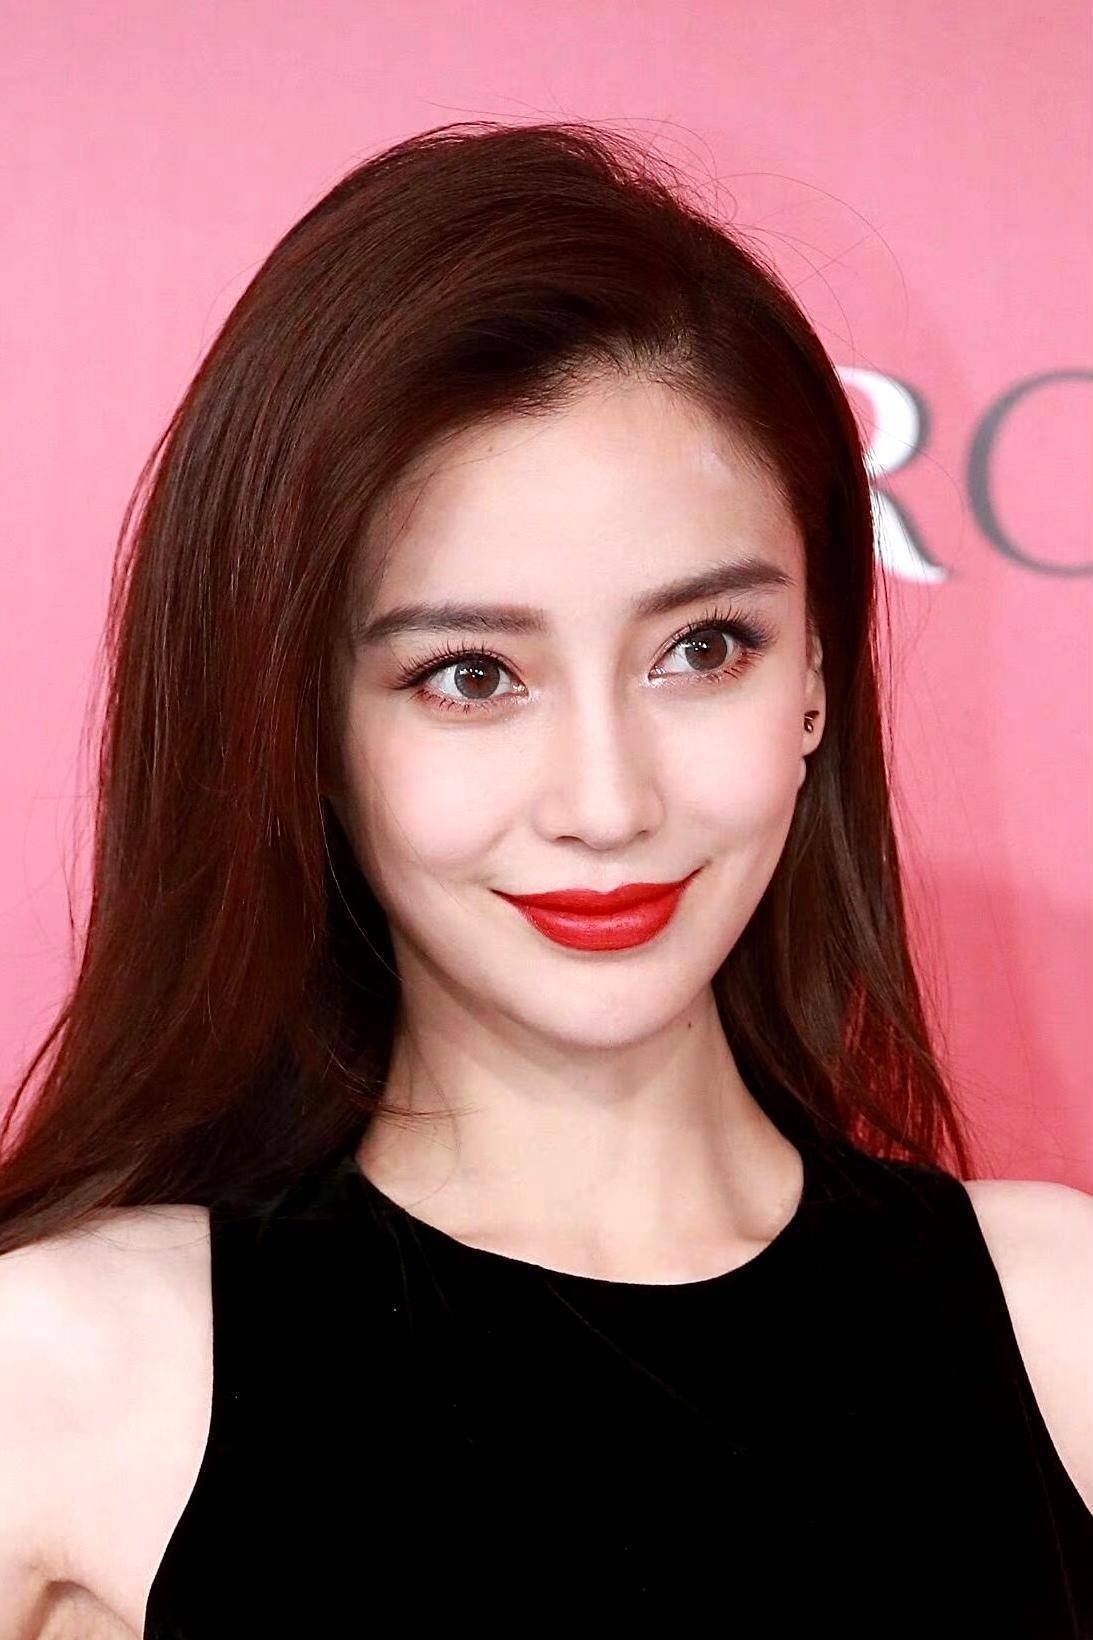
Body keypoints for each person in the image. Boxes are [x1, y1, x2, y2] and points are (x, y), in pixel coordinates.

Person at [0, 120, 1090, 1639]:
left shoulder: (1060, 1320)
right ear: (305, 732)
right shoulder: (72, 1380)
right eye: (469, 674)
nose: (606, 803)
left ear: (816, 678)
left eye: (702, 649)